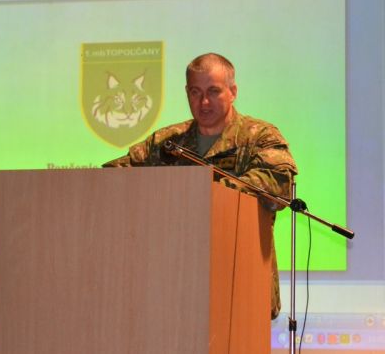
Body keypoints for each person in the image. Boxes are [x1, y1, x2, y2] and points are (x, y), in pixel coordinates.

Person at [103, 52, 297, 319]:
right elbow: (112, 177)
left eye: (213, 91)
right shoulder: (167, 142)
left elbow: (277, 184)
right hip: (173, 289)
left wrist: (201, 193)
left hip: (240, 285)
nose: (204, 102)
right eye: (195, 92)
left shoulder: (259, 137)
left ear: (233, 92)